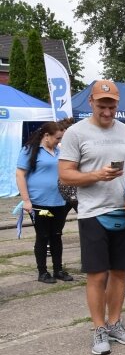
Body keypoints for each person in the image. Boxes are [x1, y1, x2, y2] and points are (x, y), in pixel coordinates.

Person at [59, 79, 125, 355]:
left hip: (124, 211)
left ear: (117, 104)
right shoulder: (75, 133)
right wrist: (95, 175)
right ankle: (98, 328)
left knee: (120, 273)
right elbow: (65, 174)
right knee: (97, 275)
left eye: (111, 106)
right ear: (91, 103)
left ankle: (115, 323)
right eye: (102, 105)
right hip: (92, 213)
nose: (107, 111)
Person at [16, 121, 72, 284]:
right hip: (39, 202)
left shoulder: (58, 151)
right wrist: (26, 200)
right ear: (46, 136)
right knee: (42, 236)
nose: (58, 141)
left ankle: (58, 269)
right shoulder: (29, 150)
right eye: (57, 138)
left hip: (59, 201)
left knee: (57, 236)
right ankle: (42, 272)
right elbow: (20, 175)